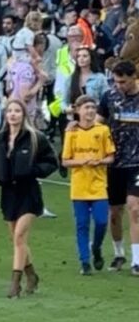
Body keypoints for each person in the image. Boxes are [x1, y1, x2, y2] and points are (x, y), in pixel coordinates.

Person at [0, 99, 59, 298]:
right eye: (9, 111)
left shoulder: (34, 137)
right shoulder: (1, 139)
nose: (13, 114)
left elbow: (51, 162)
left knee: (20, 236)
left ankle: (15, 282)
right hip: (8, 194)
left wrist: (34, 171)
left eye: (17, 111)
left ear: (23, 115)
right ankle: (32, 275)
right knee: (16, 238)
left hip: (28, 192)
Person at [62, 95, 115, 275]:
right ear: (78, 110)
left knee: (101, 222)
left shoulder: (103, 130)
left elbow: (111, 156)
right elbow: (65, 161)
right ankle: (85, 262)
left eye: (93, 107)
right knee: (82, 225)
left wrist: (99, 161)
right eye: (86, 108)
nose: (90, 111)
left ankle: (97, 248)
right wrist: (81, 162)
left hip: (99, 185)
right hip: (79, 187)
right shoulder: (72, 132)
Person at [97, 60, 139, 273]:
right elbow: (98, 123)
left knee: (135, 208)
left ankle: (137, 259)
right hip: (113, 163)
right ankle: (119, 253)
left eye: (123, 82)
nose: (119, 86)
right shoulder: (109, 97)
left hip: (137, 163)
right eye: (116, 82)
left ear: (134, 77)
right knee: (115, 212)